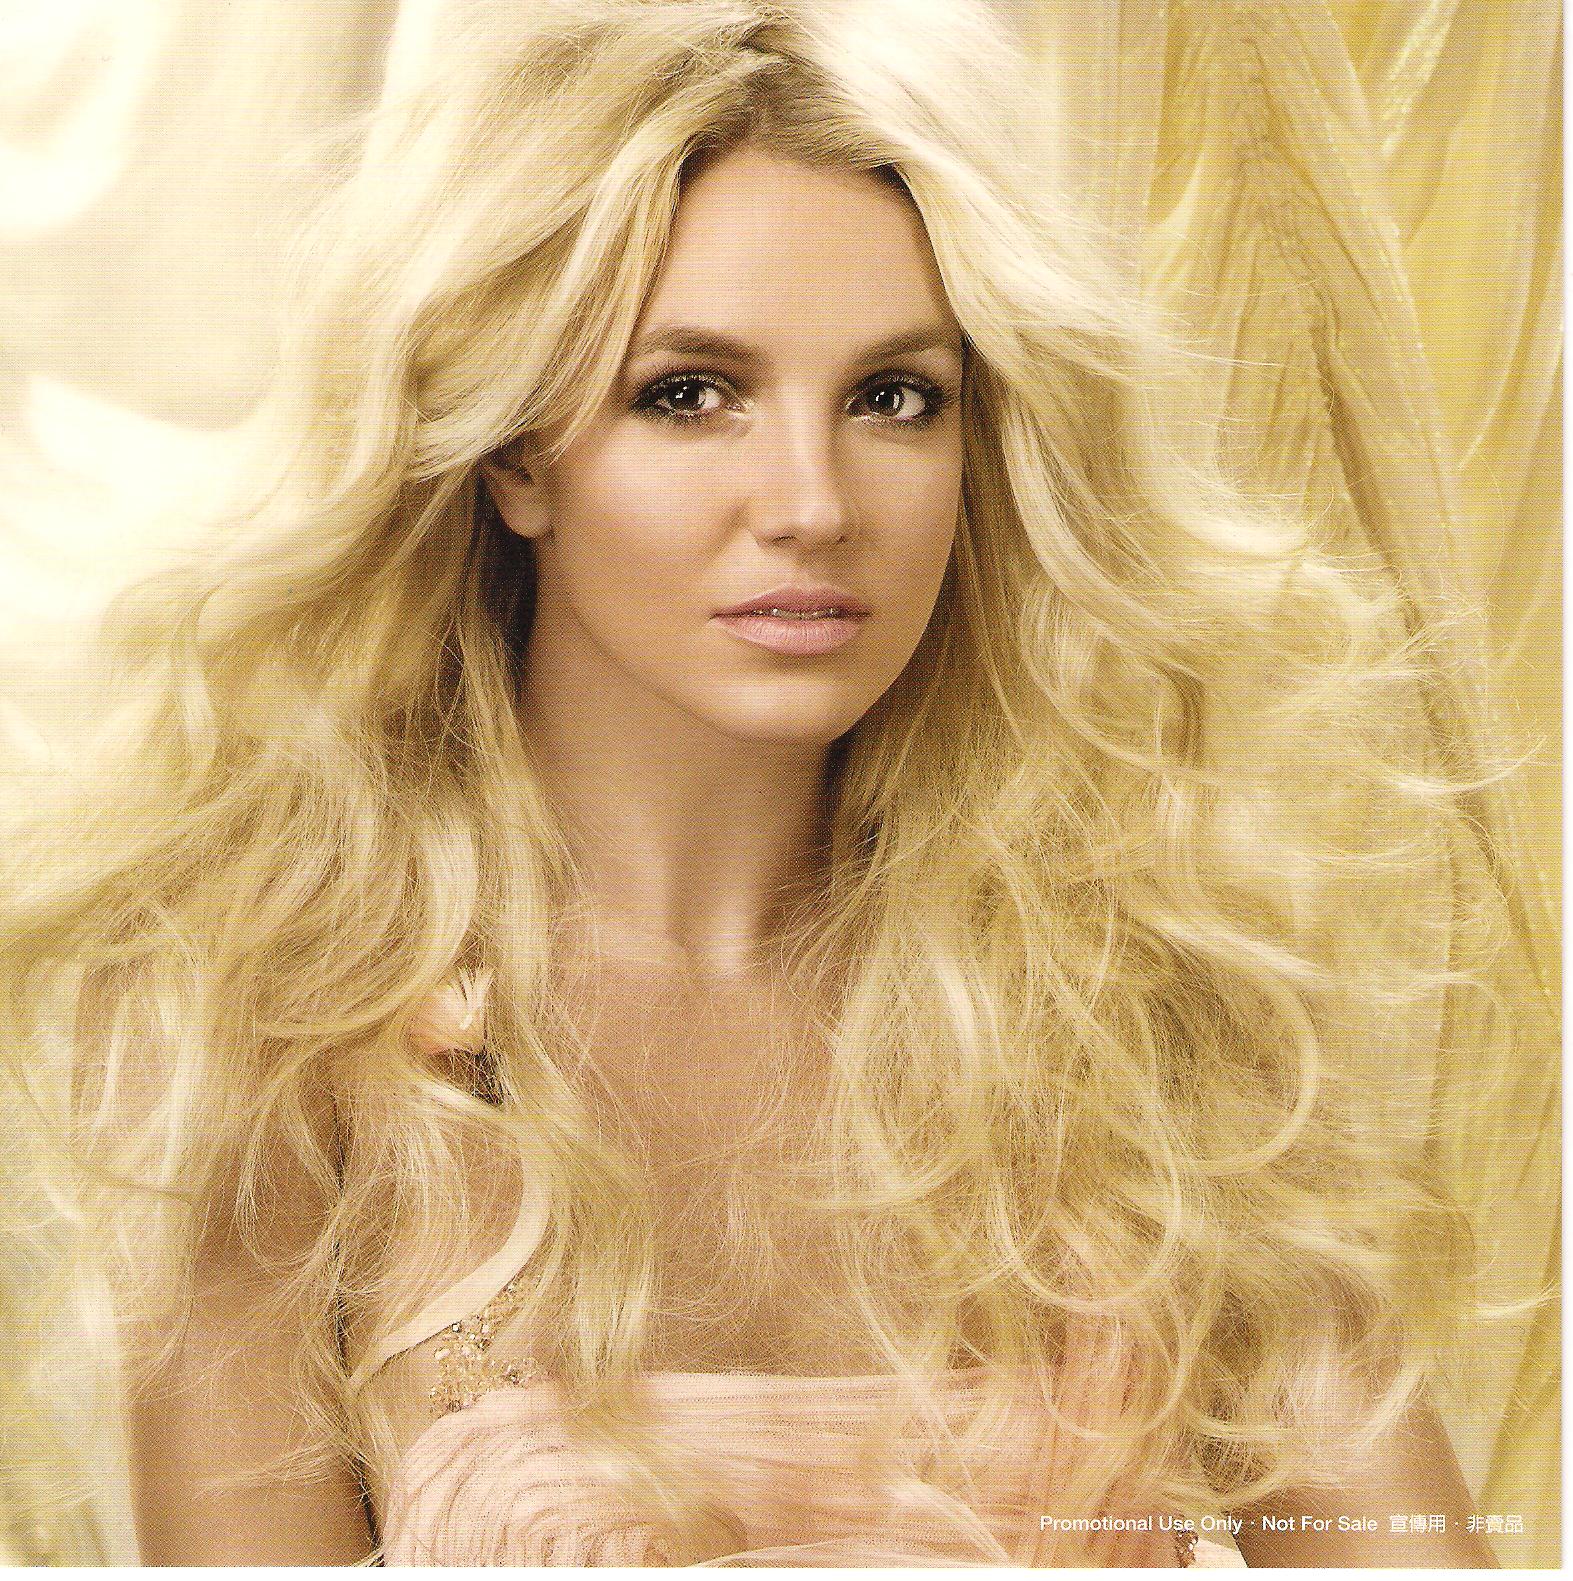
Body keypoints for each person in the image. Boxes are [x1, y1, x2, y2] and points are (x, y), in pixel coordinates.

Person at [0, 0, 1513, 1565]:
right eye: (689, 392)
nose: (811, 502)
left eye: (892, 397)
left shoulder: (1137, 1012)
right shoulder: (286, 1029)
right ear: (515, 452)